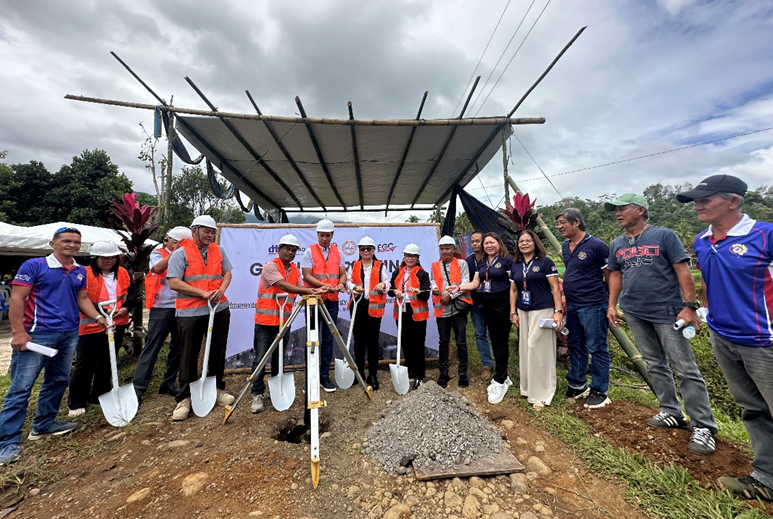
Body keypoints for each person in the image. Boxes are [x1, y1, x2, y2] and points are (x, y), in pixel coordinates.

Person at [678, 175, 773, 500]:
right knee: (752, 408)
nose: (698, 205)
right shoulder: (702, 240)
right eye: (696, 200)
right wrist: (697, 311)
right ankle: (766, 478)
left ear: (733, 201)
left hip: (764, 339)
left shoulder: (765, 234)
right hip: (724, 336)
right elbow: (708, 284)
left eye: (707, 199)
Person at [606, 193, 717, 453]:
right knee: (654, 363)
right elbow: (615, 275)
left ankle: (703, 425)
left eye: (622, 208)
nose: (617, 213)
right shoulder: (617, 243)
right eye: (616, 210)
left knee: (684, 368)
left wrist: (689, 307)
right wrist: (612, 305)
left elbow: (682, 271)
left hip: (667, 311)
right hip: (634, 310)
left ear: (641, 209)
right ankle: (670, 411)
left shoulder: (664, 236)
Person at [0, 227, 107, 466]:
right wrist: (18, 332)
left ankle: (44, 423)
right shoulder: (35, 266)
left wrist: (98, 317)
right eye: (66, 241)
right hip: (38, 334)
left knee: (58, 379)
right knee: (21, 387)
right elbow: (17, 298)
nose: (72, 245)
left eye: (76, 242)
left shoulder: (79, 271)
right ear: (53, 243)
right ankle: (6, 441)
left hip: (69, 333)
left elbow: (82, 299)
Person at [166, 215, 234, 421]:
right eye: (205, 230)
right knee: (188, 353)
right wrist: (202, 293)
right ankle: (184, 397)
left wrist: (220, 289)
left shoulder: (218, 250)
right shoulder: (180, 254)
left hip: (218, 308)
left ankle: (217, 387)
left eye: (212, 231)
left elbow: (227, 273)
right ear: (193, 230)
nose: (209, 234)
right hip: (191, 311)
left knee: (217, 349)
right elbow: (174, 283)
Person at [251, 234, 322, 413]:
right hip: (265, 322)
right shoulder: (270, 267)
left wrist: (317, 289)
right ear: (279, 248)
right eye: (287, 249)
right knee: (260, 359)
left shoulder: (295, 271)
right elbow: (285, 286)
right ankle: (257, 393)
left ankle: (276, 390)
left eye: (293, 250)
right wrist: (306, 289)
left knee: (279, 358)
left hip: (284, 322)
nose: (290, 252)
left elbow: (300, 290)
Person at [67, 241, 136, 416]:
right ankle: (76, 402)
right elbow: (81, 299)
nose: (109, 261)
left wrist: (126, 308)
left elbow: (132, 294)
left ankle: (100, 395)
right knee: (85, 363)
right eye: (104, 258)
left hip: (117, 323)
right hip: (90, 325)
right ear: (95, 258)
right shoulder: (84, 273)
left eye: (112, 257)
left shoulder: (123, 272)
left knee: (108, 360)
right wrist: (101, 312)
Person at [450, 232, 514, 404]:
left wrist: (515, 308)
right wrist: (459, 288)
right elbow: (475, 283)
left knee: (500, 340)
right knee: (494, 339)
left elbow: (514, 284)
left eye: (492, 242)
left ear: (499, 243)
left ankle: (500, 380)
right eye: (486, 243)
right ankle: (502, 376)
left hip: (502, 306)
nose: (489, 246)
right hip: (487, 306)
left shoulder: (507, 261)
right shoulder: (483, 262)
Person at [555, 208, 611, 404]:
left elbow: (610, 276)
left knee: (596, 347)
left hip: (593, 304)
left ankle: (599, 390)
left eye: (563, 222)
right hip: (572, 304)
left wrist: (609, 303)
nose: (560, 227)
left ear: (576, 222)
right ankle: (577, 384)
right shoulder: (565, 246)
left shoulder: (596, 246)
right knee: (575, 344)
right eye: (558, 224)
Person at [132, 226, 191, 403]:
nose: (167, 242)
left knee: (178, 347)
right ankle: (138, 388)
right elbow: (157, 269)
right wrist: (177, 253)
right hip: (161, 308)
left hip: (182, 306)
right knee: (153, 346)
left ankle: (168, 382)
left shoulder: (189, 257)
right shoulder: (158, 254)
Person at [509, 230, 563, 410]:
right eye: (521, 241)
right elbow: (514, 291)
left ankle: (542, 393)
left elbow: (556, 289)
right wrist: (513, 312)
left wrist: (558, 311)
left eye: (528, 241)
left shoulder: (545, 262)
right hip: (523, 310)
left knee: (537, 348)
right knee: (525, 348)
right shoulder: (516, 265)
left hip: (543, 309)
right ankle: (528, 388)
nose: (524, 243)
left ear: (535, 243)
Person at [301, 219, 347, 393]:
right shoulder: (309, 252)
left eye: (328, 235)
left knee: (328, 339)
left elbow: (342, 274)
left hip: (332, 301)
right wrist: (321, 286)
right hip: (313, 300)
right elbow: (306, 275)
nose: (325, 238)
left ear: (332, 235)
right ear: (317, 235)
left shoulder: (338, 252)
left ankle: (324, 376)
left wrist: (341, 284)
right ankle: (310, 378)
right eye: (322, 235)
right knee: (312, 339)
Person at [346, 236, 390, 390]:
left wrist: (383, 284)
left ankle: (373, 375)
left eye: (368, 249)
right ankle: (358, 375)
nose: (365, 251)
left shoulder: (380, 265)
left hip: (375, 307)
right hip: (358, 306)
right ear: (359, 250)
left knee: (372, 342)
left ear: (373, 251)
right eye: (363, 248)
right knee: (358, 342)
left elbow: (387, 282)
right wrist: (354, 287)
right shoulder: (354, 265)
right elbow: (348, 282)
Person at [388, 244, 431, 391]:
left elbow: (426, 294)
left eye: (412, 256)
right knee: (405, 342)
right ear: (404, 257)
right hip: (401, 312)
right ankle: (410, 370)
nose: (409, 258)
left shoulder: (422, 274)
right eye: (407, 256)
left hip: (417, 313)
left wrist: (418, 291)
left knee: (418, 343)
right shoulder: (397, 272)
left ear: (417, 258)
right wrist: (396, 292)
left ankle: (419, 374)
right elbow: (390, 291)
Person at [430, 235, 472, 389]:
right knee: (443, 341)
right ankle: (443, 373)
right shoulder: (434, 266)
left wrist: (450, 295)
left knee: (461, 340)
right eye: (442, 248)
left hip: (459, 307)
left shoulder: (462, 263)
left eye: (448, 248)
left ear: (454, 249)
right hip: (442, 308)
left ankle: (462, 373)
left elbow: (465, 283)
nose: (445, 251)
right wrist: (435, 291)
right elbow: (433, 283)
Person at [465, 231, 494, 380]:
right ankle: (487, 364)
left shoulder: (491, 259)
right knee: (480, 334)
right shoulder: (468, 261)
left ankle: (501, 365)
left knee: (494, 334)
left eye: (478, 241)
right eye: (473, 241)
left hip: (492, 302)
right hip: (476, 304)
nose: (475, 244)